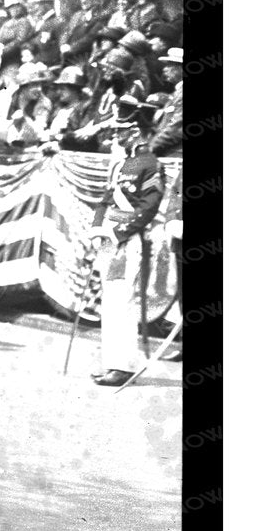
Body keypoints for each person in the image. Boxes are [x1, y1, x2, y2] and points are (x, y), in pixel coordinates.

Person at [89, 96, 165, 388]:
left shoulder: (149, 164)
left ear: (134, 131)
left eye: (121, 131)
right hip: (109, 237)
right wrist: (97, 227)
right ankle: (112, 362)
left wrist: (119, 233)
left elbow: (149, 206)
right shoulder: (122, 165)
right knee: (110, 301)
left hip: (126, 239)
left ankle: (122, 366)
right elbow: (107, 198)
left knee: (122, 301)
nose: (116, 135)